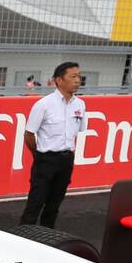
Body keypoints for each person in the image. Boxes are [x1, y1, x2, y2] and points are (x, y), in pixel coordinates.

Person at [20, 61, 86, 228]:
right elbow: (29, 134)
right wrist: (38, 155)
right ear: (59, 80)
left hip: (66, 160)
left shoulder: (80, 104)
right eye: (73, 76)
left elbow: (78, 131)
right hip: (45, 160)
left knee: (54, 205)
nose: (77, 80)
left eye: (79, 76)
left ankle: (47, 239)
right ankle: (22, 239)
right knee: (35, 203)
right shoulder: (44, 104)